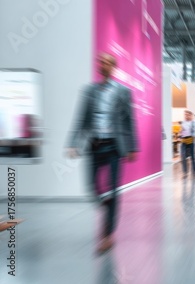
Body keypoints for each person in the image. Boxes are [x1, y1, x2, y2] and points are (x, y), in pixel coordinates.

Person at [66, 53, 138, 253]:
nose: (102, 64)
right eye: (100, 62)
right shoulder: (89, 91)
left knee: (114, 190)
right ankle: (106, 204)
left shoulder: (124, 92)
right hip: (94, 145)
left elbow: (128, 120)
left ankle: (108, 235)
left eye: (106, 62)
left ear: (113, 67)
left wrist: (132, 147)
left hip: (114, 146)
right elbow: (80, 119)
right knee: (92, 188)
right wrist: (73, 143)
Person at [180, 110, 195, 178]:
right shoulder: (183, 122)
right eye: (185, 114)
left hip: (191, 141)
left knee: (193, 157)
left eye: (188, 114)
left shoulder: (194, 122)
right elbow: (182, 131)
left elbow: (194, 132)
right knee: (183, 156)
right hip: (184, 141)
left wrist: (194, 137)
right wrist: (180, 134)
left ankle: (194, 171)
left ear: (191, 115)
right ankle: (185, 172)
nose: (186, 116)